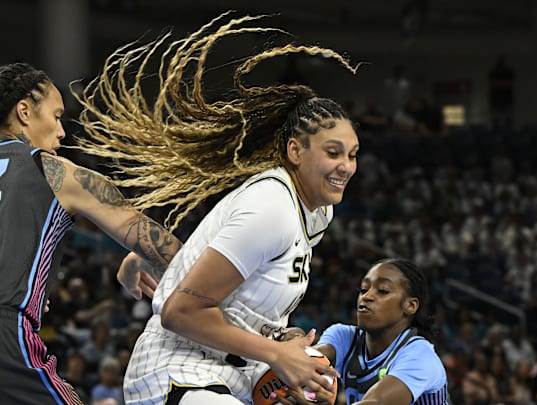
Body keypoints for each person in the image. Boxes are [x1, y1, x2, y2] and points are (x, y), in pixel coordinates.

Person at [74, 13, 360, 405]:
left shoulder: (316, 212)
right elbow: (181, 312)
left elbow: (234, 289)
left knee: (319, 379)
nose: (346, 165)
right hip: (177, 367)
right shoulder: (271, 207)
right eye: (333, 153)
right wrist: (277, 355)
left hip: (239, 371)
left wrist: (285, 344)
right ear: (295, 151)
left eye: (352, 155)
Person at [0, 62, 183, 404]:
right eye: (56, 117)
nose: (61, 132)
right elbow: (169, 250)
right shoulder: (50, 169)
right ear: (24, 111)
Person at [288, 258, 449, 405]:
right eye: (364, 289)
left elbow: (375, 402)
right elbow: (311, 361)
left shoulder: (420, 354)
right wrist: (294, 347)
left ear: (410, 306)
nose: (367, 296)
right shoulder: (343, 336)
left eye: (383, 290)